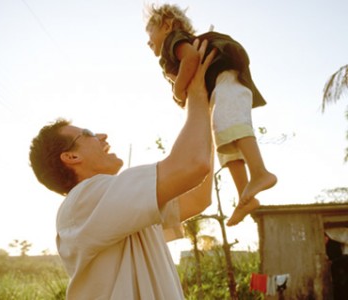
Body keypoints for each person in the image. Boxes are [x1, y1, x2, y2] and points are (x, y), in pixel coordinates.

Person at [29, 41, 215, 299]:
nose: (102, 135)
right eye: (89, 134)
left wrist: (205, 109)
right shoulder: (84, 200)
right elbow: (192, 165)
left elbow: (198, 197)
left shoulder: (121, 209)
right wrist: (196, 94)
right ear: (71, 156)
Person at [145, 3, 277, 226]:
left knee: (231, 123)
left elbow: (192, 59)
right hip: (220, 85)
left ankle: (260, 171)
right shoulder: (170, 55)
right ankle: (246, 195)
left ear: (167, 26)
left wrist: (178, 89)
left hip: (227, 76)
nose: (148, 42)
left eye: (150, 35)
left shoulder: (174, 40)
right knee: (223, 136)